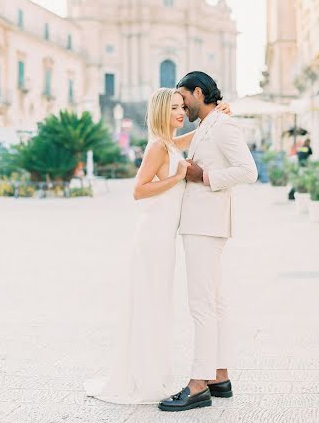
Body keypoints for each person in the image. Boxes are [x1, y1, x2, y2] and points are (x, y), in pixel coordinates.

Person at [84, 88, 230, 404]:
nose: (180, 112)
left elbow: (184, 141)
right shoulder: (157, 147)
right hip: (152, 239)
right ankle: (145, 378)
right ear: (161, 112)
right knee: (150, 306)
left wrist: (214, 118)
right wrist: (177, 178)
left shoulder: (167, 145)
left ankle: (152, 373)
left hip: (164, 239)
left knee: (157, 307)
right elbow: (139, 190)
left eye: (182, 107)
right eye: (174, 108)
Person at [158, 72, 258, 412]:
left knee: (201, 304)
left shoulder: (223, 126)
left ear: (199, 92)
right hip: (205, 222)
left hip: (205, 223)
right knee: (214, 304)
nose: (182, 104)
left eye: (184, 97)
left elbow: (248, 171)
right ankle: (219, 375)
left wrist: (205, 176)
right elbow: (185, 143)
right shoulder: (212, 124)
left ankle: (198, 383)